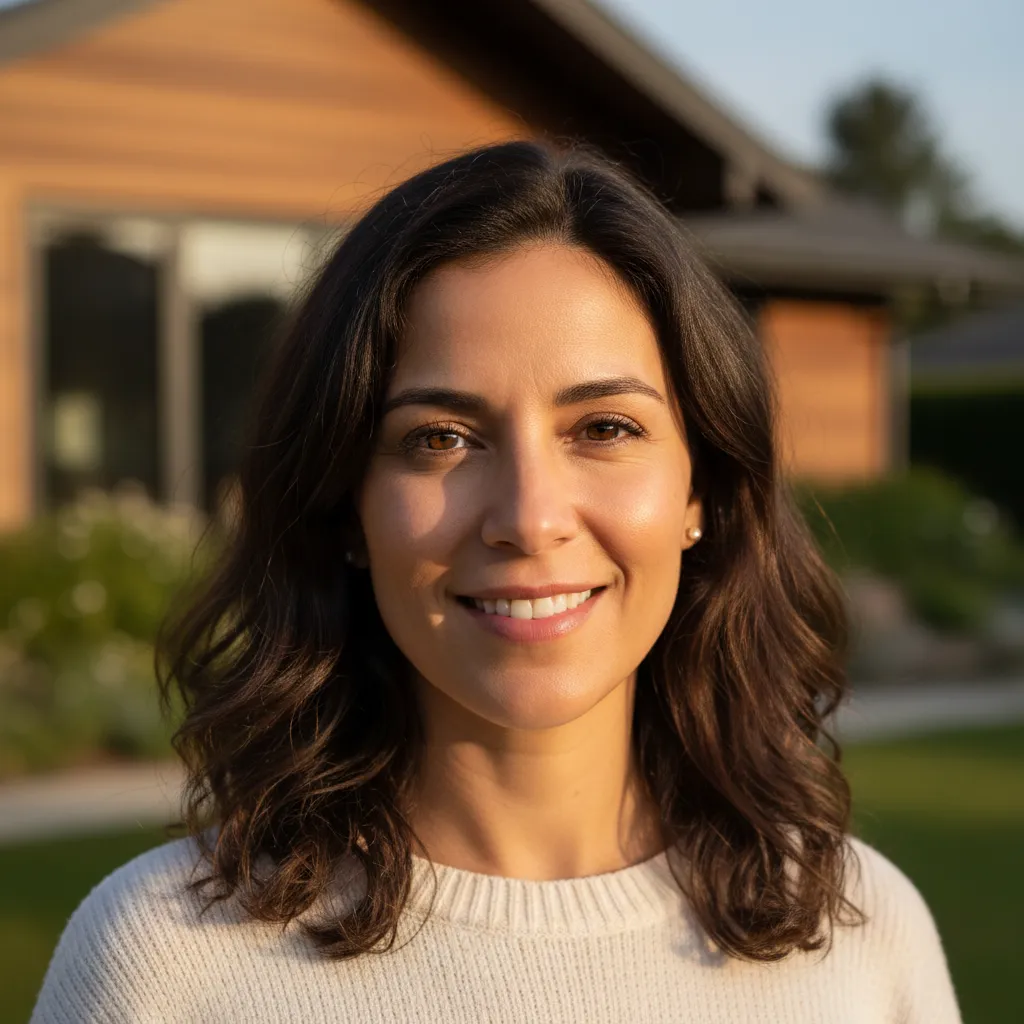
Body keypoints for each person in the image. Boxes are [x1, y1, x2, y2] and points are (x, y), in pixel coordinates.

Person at [30, 140, 961, 1023]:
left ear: (701, 489)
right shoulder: (164, 965)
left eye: (604, 428)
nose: (528, 515)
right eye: (441, 438)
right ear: (347, 505)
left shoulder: (860, 936)